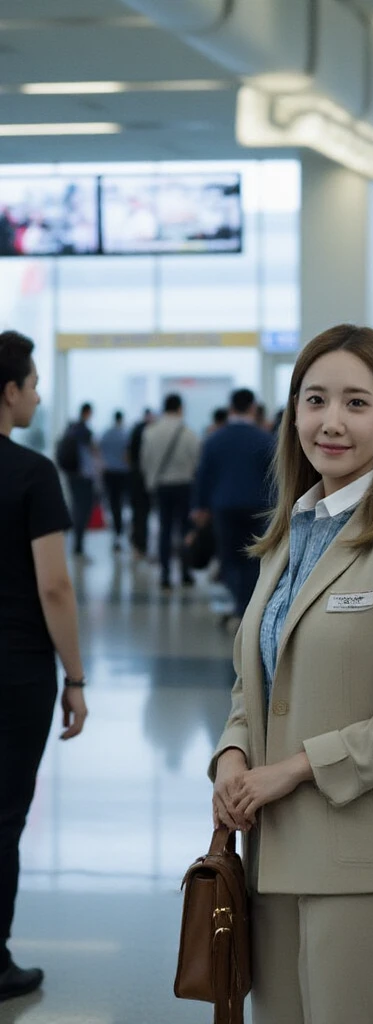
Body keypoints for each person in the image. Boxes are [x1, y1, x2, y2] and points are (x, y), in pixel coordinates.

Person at [210, 324, 373, 1024]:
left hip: (360, 853)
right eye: (315, 400)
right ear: (293, 414)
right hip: (272, 847)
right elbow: (252, 681)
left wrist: (286, 771)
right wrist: (232, 752)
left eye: (356, 402)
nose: (332, 422)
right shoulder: (287, 535)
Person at [0, 331, 88, 1001]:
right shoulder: (31, 474)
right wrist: (77, 677)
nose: (37, 392)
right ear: (10, 393)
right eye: (32, 382)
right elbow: (54, 586)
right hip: (16, 669)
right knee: (3, 816)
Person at [193, 388, 274, 624]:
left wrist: (200, 506)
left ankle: (239, 605)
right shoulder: (265, 439)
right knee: (254, 556)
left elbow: (203, 476)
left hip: (224, 506)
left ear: (230, 409)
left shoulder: (214, 439)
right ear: (252, 408)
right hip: (258, 507)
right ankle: (248, 607)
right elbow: (274, 477)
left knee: (229, 558)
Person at [141, 394, 201, 591]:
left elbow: (145, 461)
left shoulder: (150, 432)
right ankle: (185, 572)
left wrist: (151, 483)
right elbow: (196, 463)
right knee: (185, 529)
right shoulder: (189, 433)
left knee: (164, 530)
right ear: (180, 408)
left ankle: (165, 575)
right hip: (185, 486)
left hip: (161, 486)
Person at [63, 402, 97, 558]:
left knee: (77, 506)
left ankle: (77, 543)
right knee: (83, 509)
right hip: (83, 476)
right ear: (87, 412)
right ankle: (79, 544)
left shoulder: (71, 428)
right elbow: (91, 456)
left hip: (71, 474)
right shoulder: (85, 432)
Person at [99, 411, 130, 552]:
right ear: (121, 419)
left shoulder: (106, 434)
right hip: (123, 473)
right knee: (122, 503)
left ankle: (116, 531)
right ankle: (120, 531)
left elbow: (99, 452)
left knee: (113, 503)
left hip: (109, 473)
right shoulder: (125, 435)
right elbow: (127, 455)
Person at [127, 408, 155, 559]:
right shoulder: (150, 432)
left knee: (137, 513)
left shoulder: (136, 430)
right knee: (144, 512)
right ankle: (141, 544)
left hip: (134, 476)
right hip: (147, 477)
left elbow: (128, 454)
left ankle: (137, 543)